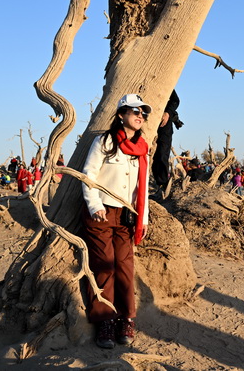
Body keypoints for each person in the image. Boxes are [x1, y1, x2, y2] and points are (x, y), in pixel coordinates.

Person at [80, 94, 153, 350]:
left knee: (124, 267)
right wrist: (95, 205)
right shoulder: (105, 141)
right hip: (101, 213)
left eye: (143, 112)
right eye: (134, 111)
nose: (139, 115)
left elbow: (141, 189)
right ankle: (105, 321)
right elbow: (88, 175)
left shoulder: (142, 148)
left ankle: (126, 318)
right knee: (104, 265)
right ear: (121, 114)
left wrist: (142, 219)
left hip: (126, 216)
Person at [151, 90, 182, 189]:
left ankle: (162, 184)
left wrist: (168, 113)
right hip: (146, 120)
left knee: (162, 153)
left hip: (164, 123)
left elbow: (175, 100)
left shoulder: (164, 81)